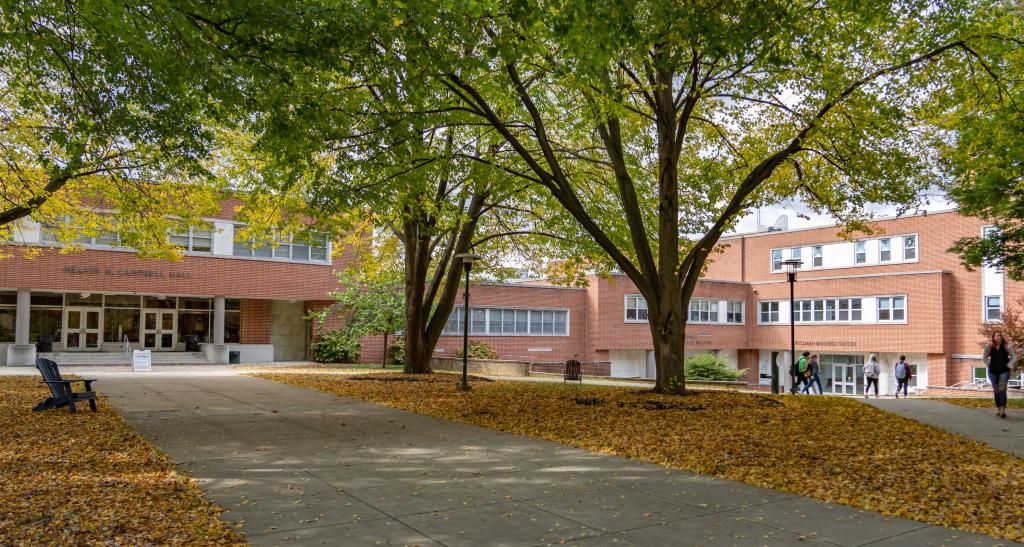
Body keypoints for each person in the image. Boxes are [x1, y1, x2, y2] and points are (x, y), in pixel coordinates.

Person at [982, 331, 1017, 418]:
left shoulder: (1007, 346)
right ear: (993, 337)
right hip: (992, 371)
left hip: (1004, 371)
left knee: (1002, 389)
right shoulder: (989, 346)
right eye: (997, 336)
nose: (999, 337)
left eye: (1000, 336)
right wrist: (989, 364)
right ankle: (998, 408)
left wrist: (1009, 365)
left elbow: (1014, 357)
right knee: (996, 390)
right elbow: (984, 357)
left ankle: (1003, 411)